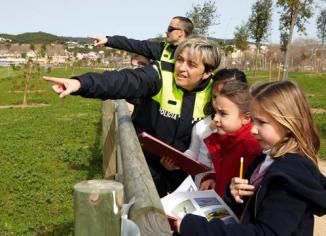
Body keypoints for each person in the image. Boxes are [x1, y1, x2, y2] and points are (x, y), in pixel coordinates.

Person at [43, 37, 221, 197]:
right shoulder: (160, 74)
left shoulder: (216, 92)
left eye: (191, 64)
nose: (181, 68)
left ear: (207, 73)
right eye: (180, 60)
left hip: (189, 175)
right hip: (147, 165)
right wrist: (80, 83)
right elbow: (123, 80)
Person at [177, 80, 326, 236]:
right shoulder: (265, 158)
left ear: (288, 123)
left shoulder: (290, 174)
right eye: (254, 121)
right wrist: (235, 194)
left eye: (261, 122)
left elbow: (265, 232)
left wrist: (197, 228)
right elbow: (253, 210)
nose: (253, 130)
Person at [180, 69, 249, 187]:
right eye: (215, 97)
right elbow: (193, 151)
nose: (219, 102)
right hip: (201, 188)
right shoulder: (201, 126)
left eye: (228, 95)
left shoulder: (248, 141)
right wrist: (179, 160)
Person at [198, 81, 261, 197]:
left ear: (246, 118)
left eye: (223, 114)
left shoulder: (250, 149)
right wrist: (213, 178)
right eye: (216, 112)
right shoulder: (227, 140)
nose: (215, 118)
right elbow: (227, 176)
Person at [90, 16, 193, 74]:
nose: (166, 32)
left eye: (170, 29)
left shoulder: (197, 54)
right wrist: (108, 40)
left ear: (181, 33)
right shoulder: (161, 49)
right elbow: (134, 44)